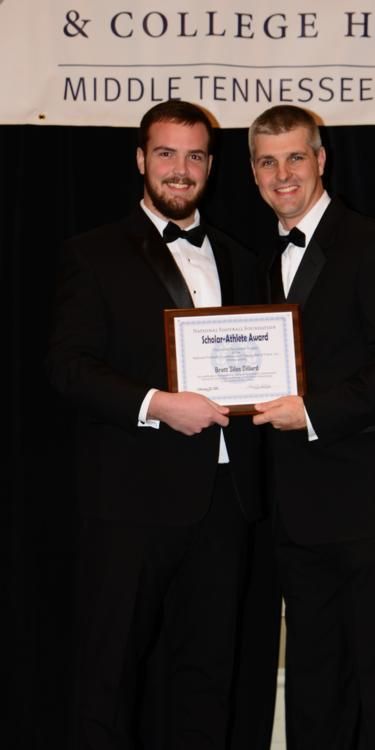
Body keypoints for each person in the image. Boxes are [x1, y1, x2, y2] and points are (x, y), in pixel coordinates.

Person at [46, 100, 264, 750]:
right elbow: (68, 367)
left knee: (209, 673)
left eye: (195, 156)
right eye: (166, 153)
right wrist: (156, 404)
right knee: (108, 673)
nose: (180, 169)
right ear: (141, 159)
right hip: (131, 499)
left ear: (211, 167)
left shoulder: (242, 259)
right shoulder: (92, 253)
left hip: (224, 499)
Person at [248, 104, 375, 749]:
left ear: (321, 160)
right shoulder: (257, 261)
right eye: (267, 162)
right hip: (295, 506)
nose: (283, 175)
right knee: (313, 676)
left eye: (295, 158)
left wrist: (314, 412)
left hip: (370, 502)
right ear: (252, 172)